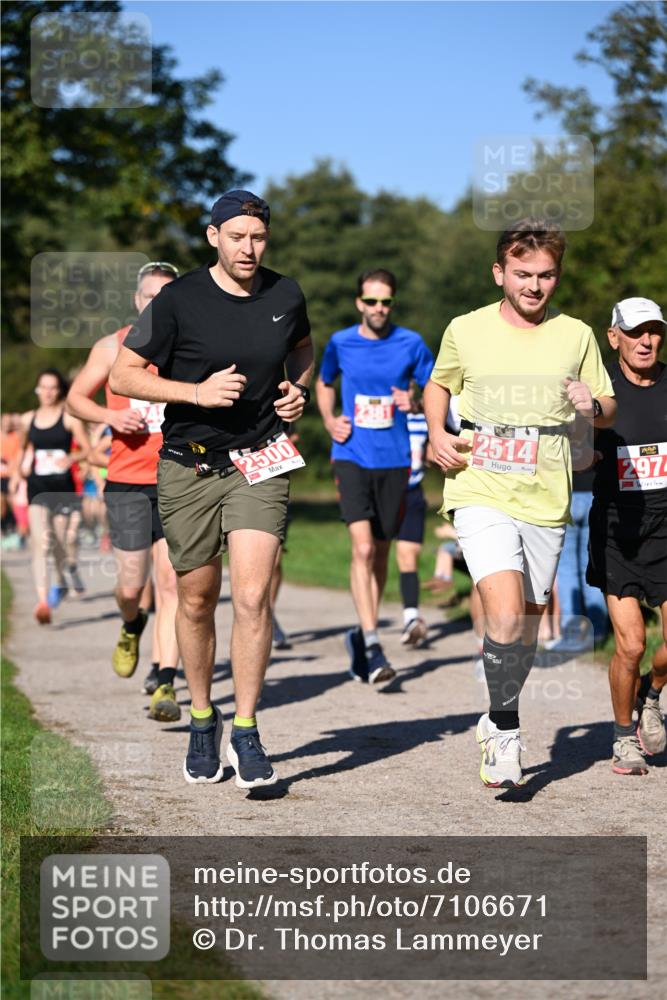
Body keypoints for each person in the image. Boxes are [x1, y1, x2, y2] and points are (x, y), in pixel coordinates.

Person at [108, 189, 314, 787]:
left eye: (258, 238)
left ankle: (247, 730)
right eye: (238, 237)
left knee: (253, 598)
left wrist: (297, 389)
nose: (250, 248)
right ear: (213, 237)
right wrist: (194, 393)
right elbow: (125, 374)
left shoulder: (285, 292)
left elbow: (301, 348)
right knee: (196, 597)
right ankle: (204, 719)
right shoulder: (177, 300)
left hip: (261, 457)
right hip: (189, 464)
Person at [424, 218, 615, 788]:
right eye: (523, 274)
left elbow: (607, 407)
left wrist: (592, 404)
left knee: (525, 629)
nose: (535, 286)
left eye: (547, 275)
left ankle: (494, 713)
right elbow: (440, 382)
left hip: (546, 489)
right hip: (479, 480)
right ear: (499, 273)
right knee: (504, 613)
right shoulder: (466, 327)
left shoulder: (576, 334)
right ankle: (506, 730)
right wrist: (436, 431)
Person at [67, 262, 182, 723]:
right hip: (127, 481)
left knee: (173, 582)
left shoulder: (187, 346)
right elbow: (77, 397)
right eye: (150, 297)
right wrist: (111, 418)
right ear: (137, 301)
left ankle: (166, 681)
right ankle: (132, 624)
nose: (158, 305)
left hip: (178, 478)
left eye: (166, 298)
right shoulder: (112, 346)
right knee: (132, 586)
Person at [316, 269, 434, 684]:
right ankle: (371, 640)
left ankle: (363, 634)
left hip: (396, 459)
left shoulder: (411, 343)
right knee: (363, 549)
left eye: (386, 302)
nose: (379, 309)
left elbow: (436, 391)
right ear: (359, 304)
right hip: (351, 454)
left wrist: (415, 400)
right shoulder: (340, 342)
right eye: (371, 302)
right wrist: (330, 421)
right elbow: (323, 381)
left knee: (381, 552)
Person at [586, 297, 667, 775]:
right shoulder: (603, 392)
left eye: (654, 330)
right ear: (613, 336)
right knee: (631, 645)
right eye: (636, 332)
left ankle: (652, 693)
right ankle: (622, 738)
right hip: (618, 531)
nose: (646, 340)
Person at [15, 370, 90, 624]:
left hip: (62, 489)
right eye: (43, 387)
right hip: (37, 488)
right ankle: (43, 601)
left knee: (59, 543)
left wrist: (71, 458)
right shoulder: (28, 419)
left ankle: (61, 580)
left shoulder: (69, 419)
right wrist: (22, 467)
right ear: (37, 389)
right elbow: (24, 448)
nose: (47, 392)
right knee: (41, 543)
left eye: (52, 388)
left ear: (59, 390)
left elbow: (87, 451)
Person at [395, 407, 429, 646]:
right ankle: (368, 624)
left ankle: (411, 617)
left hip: (412, 492)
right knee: (373, 554)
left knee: (409, 554)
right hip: (381, 491)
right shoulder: (378, 413)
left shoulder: (426, 418)